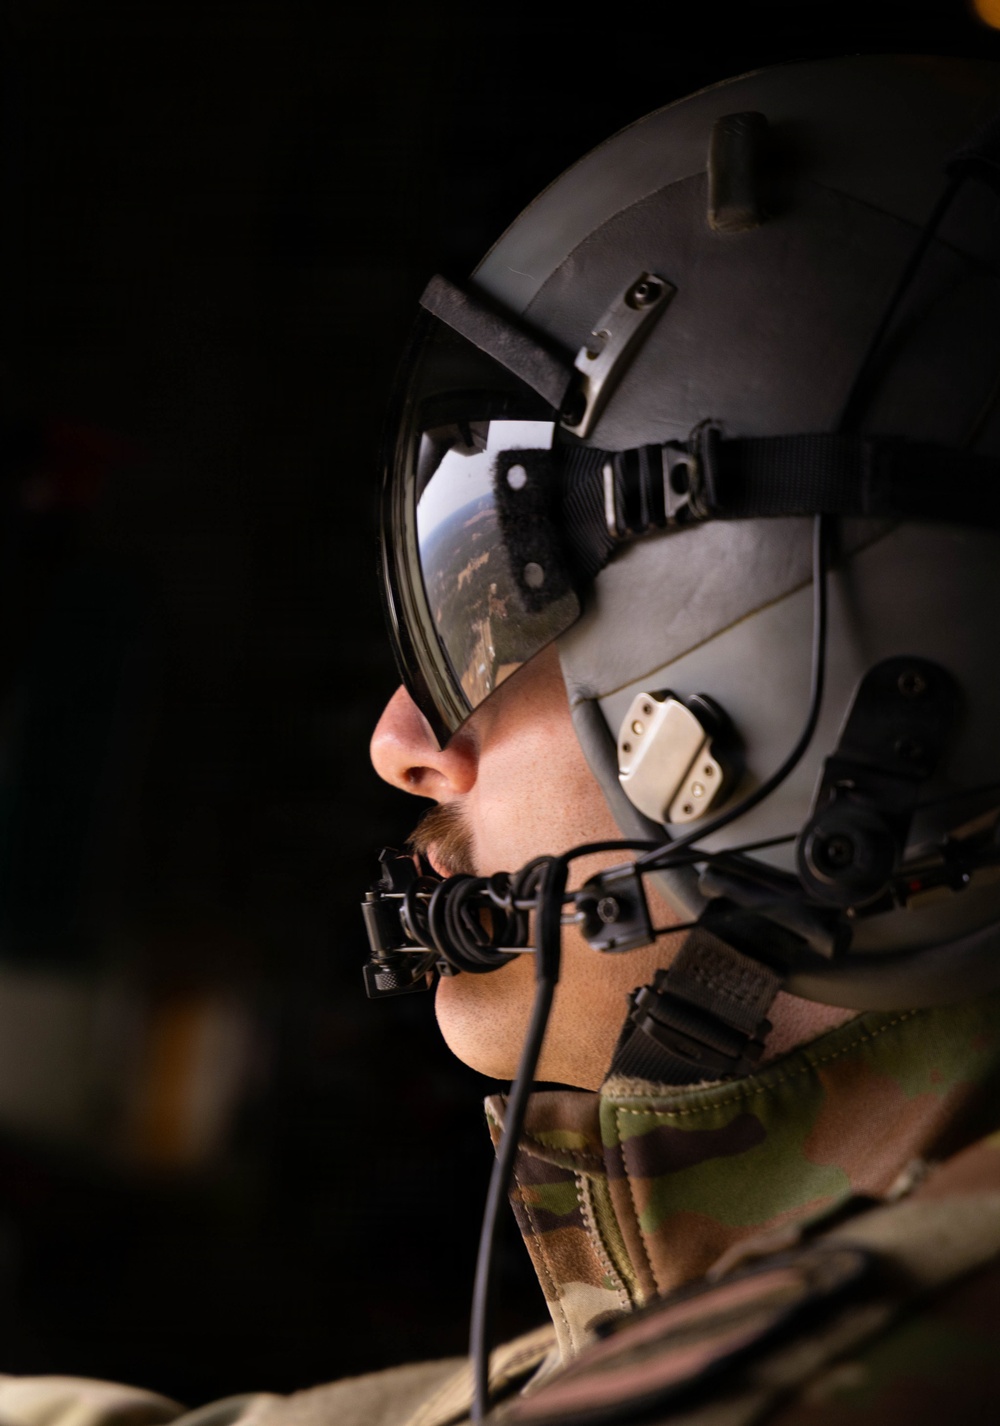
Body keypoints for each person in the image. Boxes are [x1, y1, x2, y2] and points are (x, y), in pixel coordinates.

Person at [5, 48, 1000, 1426]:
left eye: (494, 612)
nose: (401, 741)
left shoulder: (860, 1378)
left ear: (786, 677)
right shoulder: (774, 1298)